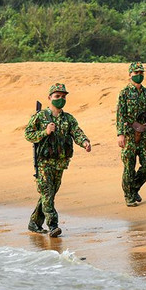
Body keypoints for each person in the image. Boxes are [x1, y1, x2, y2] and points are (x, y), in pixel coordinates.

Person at [24, 83, 91, 237]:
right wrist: (44, 132)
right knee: (47, 193)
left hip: (60, 163)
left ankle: (34, 222)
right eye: (57, 96)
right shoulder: (40, 117)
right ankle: (53, 225)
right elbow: (28, 134)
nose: (60, 99)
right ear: (49, 98)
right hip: (44, 162)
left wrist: (85, 142)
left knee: (50, 194)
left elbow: (77, 132)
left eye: (63, 96)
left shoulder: (68, 118)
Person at [116, 62, 146, 207]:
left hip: (144, 132)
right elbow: (120, 114)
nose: (139, 75)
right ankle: (128, 195)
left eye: (141, 73)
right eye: (136, 73)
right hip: (129, 132)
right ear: (130, 75)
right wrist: (120, 134)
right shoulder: (124, 93)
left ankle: (133, 188)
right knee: (129, 165)